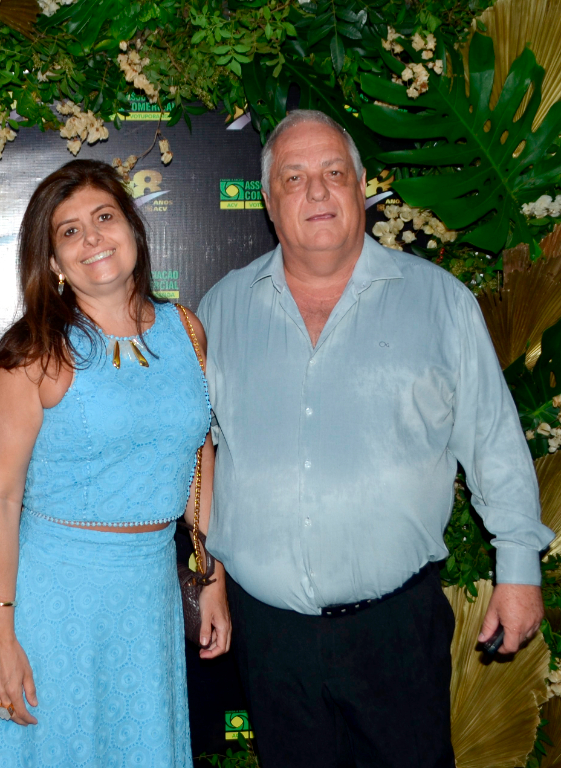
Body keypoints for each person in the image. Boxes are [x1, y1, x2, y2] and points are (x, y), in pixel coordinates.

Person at [197, 109, 555, 768]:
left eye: (334, 173)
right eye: (294, 178)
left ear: (361, 189)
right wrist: (211, 576)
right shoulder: (223, 309)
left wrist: (518, 570)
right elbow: (204, 453)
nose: (317, 191)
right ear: (270, 206)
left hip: (395, 631)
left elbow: (493, 438)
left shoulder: (440, 302)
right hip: (269, 636)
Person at [0, 158, 230, 768]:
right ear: (54, 262)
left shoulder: (185, 329)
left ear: (133, 231)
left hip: (149, 595)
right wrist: (1, 632)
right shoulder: (35, 352)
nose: (91, 238)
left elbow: (199, 454)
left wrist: (211, 573)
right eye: (69, 231)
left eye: (104, 217)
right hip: (54, 597)